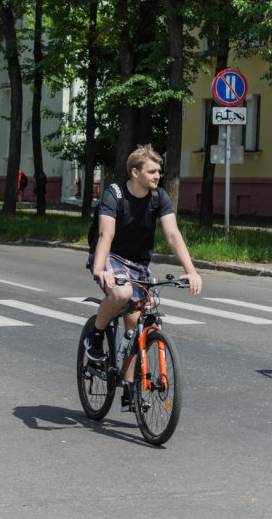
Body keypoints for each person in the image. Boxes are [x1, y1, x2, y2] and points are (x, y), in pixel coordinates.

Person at [85, 145, 202, 409]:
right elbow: (106, 234)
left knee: (135, 326)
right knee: (122, 293)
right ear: (135, 173)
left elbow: (172, 234)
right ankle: (96, 334)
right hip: (110, 256)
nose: (158, 175)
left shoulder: (159, 197)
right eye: (152, 171)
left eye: (159, 171)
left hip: (138, 262)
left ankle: (129, 388)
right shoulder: (114, 194)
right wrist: (100, 269)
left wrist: (191, 270)